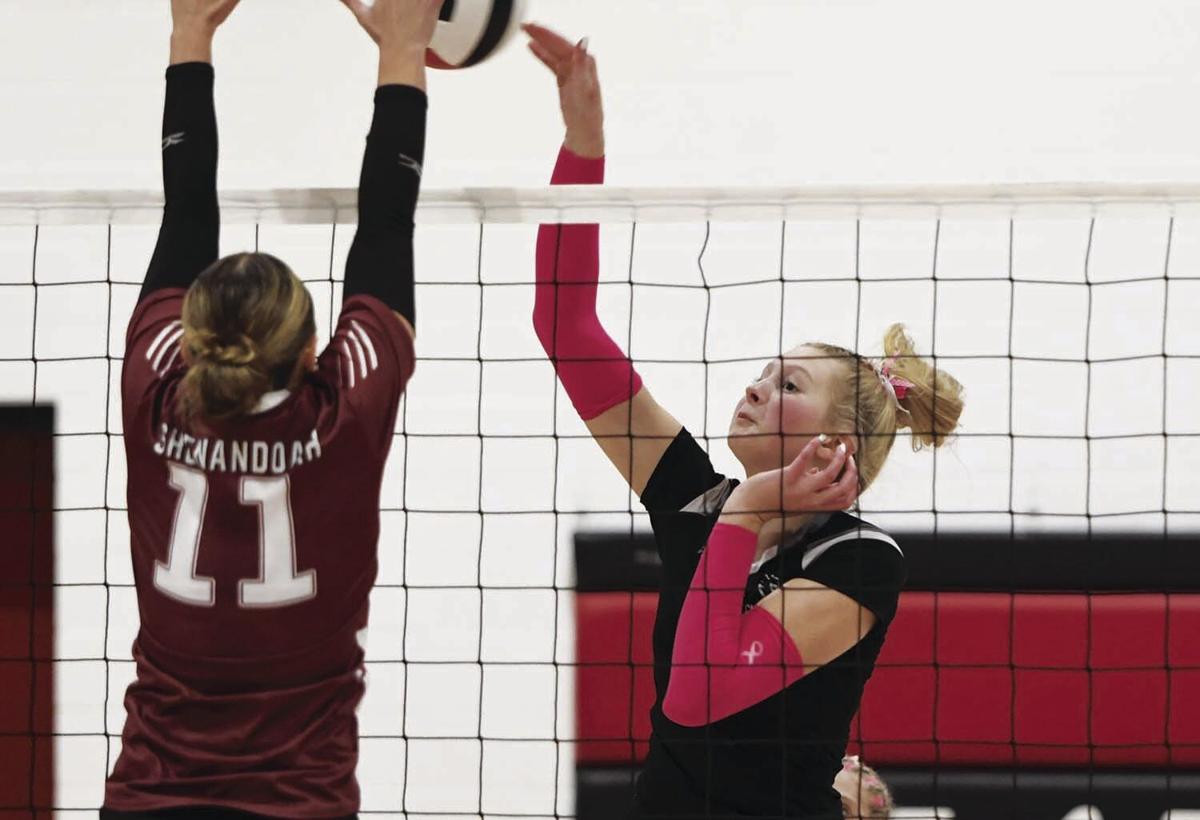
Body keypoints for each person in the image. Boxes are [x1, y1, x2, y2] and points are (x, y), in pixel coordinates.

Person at [523, 22, 964, 819]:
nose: (757, 386)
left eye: (788, 382)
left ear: (837, 446)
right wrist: (582, 144)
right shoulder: (696, 494)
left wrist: (752, 509)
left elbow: (699, 697)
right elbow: (564, 325)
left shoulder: (861, 557)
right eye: (765, 369)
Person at [103, 0, 442, 816]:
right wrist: (404, 48)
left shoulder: (155, 392)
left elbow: (186, 215)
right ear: (309, 352)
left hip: (151, 796)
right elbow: (387, 224)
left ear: (189, 337)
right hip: (300, 798)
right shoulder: (345, 414)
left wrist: (190, 31)